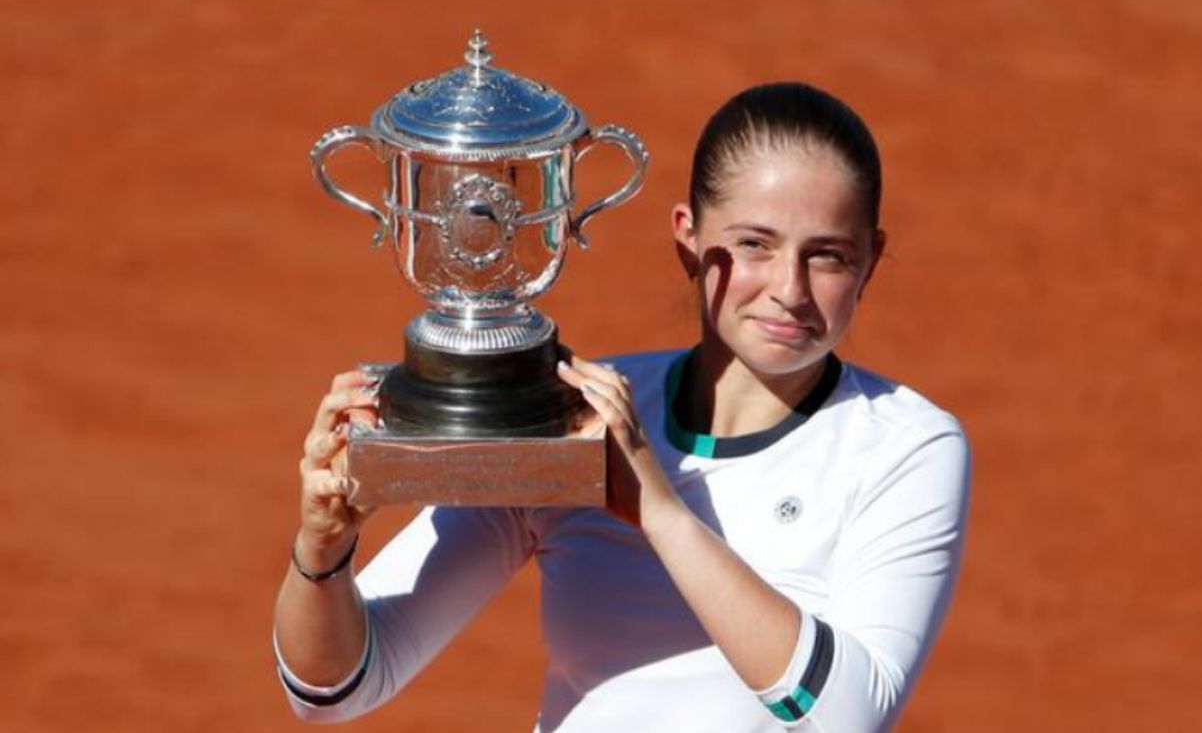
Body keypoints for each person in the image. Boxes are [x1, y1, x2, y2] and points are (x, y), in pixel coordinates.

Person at [272, 82, 971, 732]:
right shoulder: (577, 417)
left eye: (828, 256)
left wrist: (660, 511)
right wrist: (322, 555)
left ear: (871, 262)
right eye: (755, 243)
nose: (789, 288)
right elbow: (334, 685)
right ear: (688, 238)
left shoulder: (907, 446)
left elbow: (844, 716)